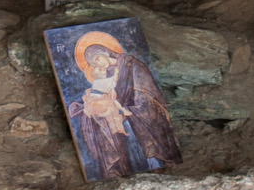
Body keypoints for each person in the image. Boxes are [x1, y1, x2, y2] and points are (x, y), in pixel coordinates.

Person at [63, 29, 179, 178]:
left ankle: (154, 161)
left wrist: (127, 110)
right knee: (92, 120)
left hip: (140, 108)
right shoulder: (107, 73)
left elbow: (145, 96)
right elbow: (104, 91)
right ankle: (117, 168)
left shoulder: (132, 65)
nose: (97, 66)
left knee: (110, 119)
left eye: (96, 60)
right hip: (118, 110)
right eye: (93, 64)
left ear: (105, 52)